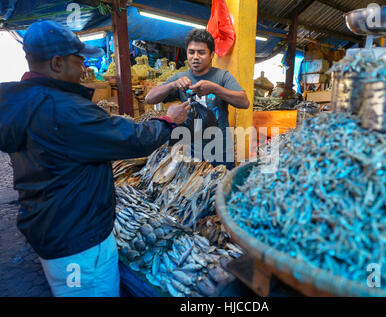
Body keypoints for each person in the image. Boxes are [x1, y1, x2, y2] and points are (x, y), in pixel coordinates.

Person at [0, 20, 190, 297]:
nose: (85, 69)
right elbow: (133, 138)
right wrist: (168, 121)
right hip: (77, 243)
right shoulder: (65, 110)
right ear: (57, 64)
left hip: (48, 225)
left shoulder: (23, 102)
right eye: (79, 62)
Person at [145, 29, 249, 170]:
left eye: (201, 52)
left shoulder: (222, 76)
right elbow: (149, 98)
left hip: (222, 151)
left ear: (212, 54)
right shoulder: (179, 78)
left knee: (221, 190)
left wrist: (214, 88)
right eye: (191, 52)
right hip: (193, 150)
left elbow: (244, 102)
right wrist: (173, 85)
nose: (195, 57)